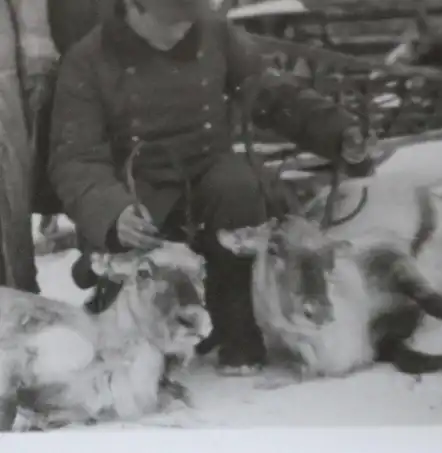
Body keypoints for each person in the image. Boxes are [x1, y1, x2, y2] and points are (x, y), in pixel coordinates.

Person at [49, 0, 373, 376]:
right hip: (139, 188)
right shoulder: (89, 59)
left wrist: (339, 131)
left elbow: (272, 93)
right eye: (173, 22)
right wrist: (112, 212)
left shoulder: (215, 34)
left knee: (238, 187)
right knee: (139, 276)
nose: (184, 32)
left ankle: (239, 331)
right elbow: (75, 158)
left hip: (209, 171)